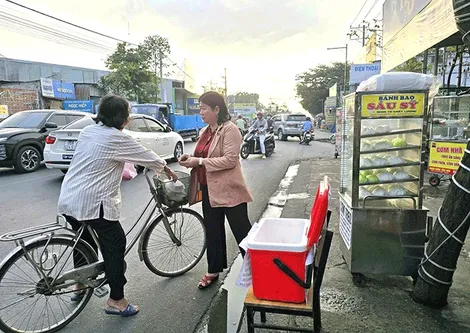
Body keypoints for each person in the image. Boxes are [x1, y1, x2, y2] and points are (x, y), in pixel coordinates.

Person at [57, 95, 178, 317]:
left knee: (83, 241)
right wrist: (167, 169)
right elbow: (147, 156)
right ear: (123, 117)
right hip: (94, 202)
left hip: (69, 198)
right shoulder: (117, 138)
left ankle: (80, 284)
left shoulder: (88, 132)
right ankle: (116, 300)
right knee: (115, 245)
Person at [178, 91, 253, 289]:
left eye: (204, 108)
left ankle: (257, 269)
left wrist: (200, 161)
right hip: (209, 189)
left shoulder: (231, 130)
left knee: (241, 231)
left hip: (229, 190)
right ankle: (213, 269)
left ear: (216, 109)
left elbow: (229, 160)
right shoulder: (206, 131)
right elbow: (202, 155)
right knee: (213, 231)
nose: (200, 112)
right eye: (200, 108)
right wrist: (190, 158)